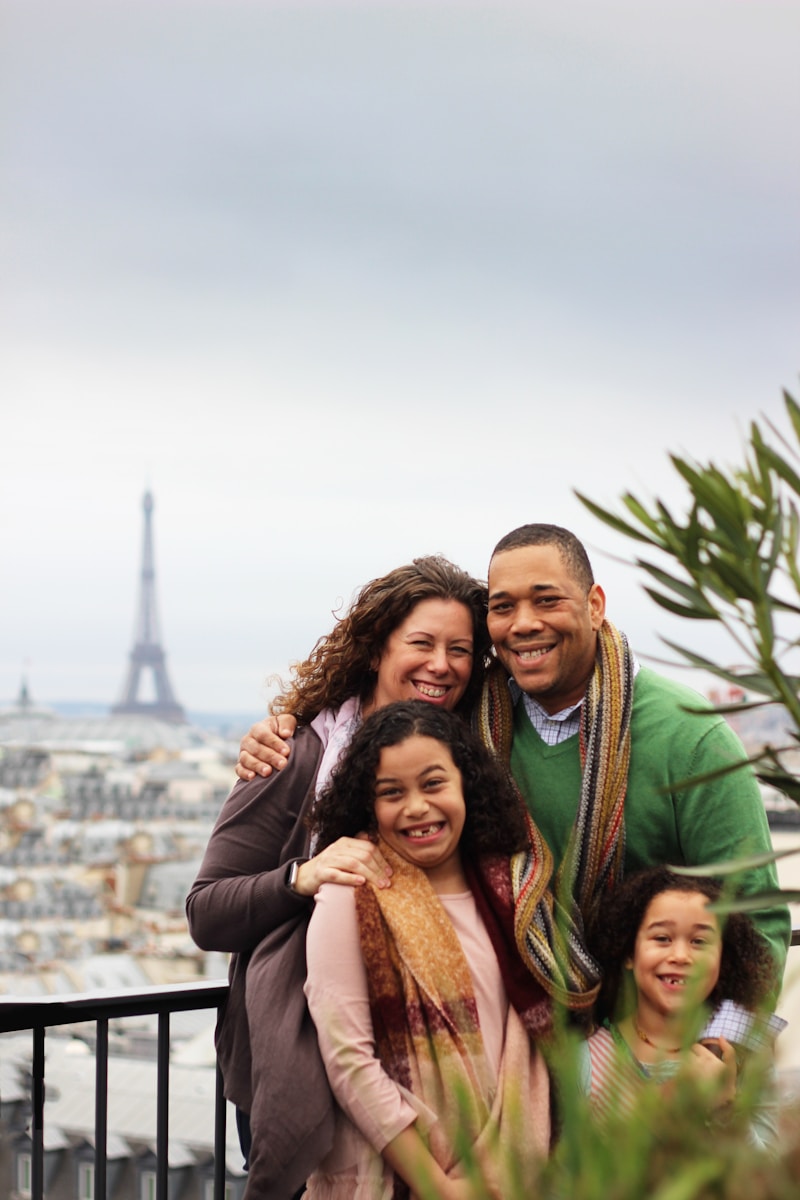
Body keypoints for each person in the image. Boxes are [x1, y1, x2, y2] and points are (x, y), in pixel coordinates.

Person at [237, 524, 790, 1001]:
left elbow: (756, 918)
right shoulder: (468, 722)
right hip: (512, 1039)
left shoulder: (690, 736)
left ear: (595, 605)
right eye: (503, 607)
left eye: (547, 600)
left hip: (652, 1046)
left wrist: (723, 1047)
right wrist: (291, 724)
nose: (523, 623)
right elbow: (384, 715)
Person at [186, 556, 493, 1200]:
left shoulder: (473, 755)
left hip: (433, 1069)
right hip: (308, 1063)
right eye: (422, 643)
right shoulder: (297, 754)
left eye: (461, 650)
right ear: (377, 649)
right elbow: (207, 912)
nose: (441, 664)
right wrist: (302, 876)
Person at [303, 700, 552, 1200]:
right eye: (391, 792)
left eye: (433, 783)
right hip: (398, 1180)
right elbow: (349, 1060)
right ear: (368, 804)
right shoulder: (351, 894)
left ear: (466, 785)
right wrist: (438, 1187)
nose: (416, 807)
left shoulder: (516, 891)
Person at [581, 865, 784, 1149]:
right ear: (629, 952)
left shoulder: (746, 1052)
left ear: (723, 960)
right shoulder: (587, 1059)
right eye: (662, 938)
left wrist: (725, 1110)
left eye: (699, 941)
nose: (680, 956)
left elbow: (772, 1173)